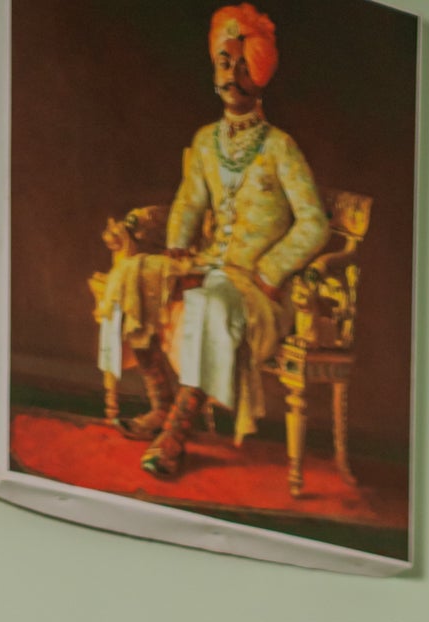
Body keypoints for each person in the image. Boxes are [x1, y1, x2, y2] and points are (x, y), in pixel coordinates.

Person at [138, 6, 328, 481]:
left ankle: (176, 433)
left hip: (256, 288)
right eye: (225, 64)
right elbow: (188, 202)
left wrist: (271, 271)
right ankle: (161, 403)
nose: (231, 76)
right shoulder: (205, 141)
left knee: (210, 305)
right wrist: (177, 250)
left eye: (243, 67)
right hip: (207, 265)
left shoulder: (281, 147)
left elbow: (314, 224)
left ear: (260, 76)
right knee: (133, 279)